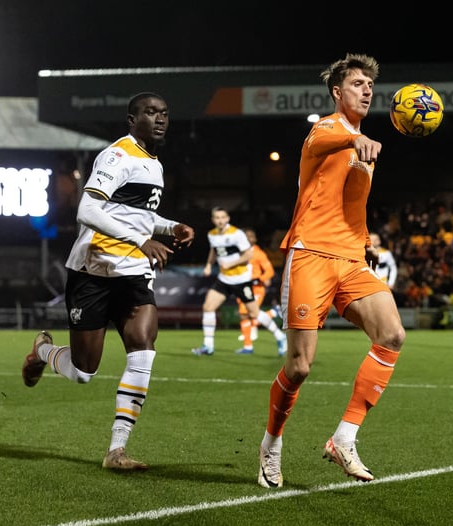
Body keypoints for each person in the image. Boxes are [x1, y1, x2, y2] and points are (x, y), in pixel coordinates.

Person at [21, 92, 196, 470]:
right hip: (93, 271)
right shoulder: (118, 155)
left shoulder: (154, 163)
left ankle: (117, 450)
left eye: (164, 113)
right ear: (132, 120)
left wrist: (170, 227)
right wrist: (142, 240)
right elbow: (88, 209)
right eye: (150, 113)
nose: (159, 118)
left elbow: (137, 216)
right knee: (84, 372)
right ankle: (42, 352)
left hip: (132, 272)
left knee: (143, 348)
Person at [257, 53, 406, 489]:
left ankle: (344, 437)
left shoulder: (365, 147)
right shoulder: (326, 129)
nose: (366, 90)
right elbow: (325, 143)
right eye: (357, 83)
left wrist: (364, 241)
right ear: (338, 92)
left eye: (369, 85)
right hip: (311, 255)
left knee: (392, 335)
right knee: (300, 366)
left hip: (351, 258)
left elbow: (351, 204)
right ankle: (271, 444)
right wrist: (350, 141)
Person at [191, 207, 286, 357]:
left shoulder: (237, 234)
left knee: (254, 313)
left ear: (228, 218)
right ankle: (208, 347)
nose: (220, 220)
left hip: (241, 280)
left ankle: (280, 337)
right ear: (213, 220)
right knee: (208, 307)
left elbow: (248, 255)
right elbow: (213, 250)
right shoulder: (212, 234)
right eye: (217, 217)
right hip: (224, 280)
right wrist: (209, 265)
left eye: (223, 217)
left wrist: (231, 264)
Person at [234, 228, 287, 355]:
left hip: (256, 288)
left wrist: (259, 279)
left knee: (253, 314)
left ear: (255, 239)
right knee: (244, 315)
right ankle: (248, 346)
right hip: (242, 288)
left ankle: (280, 336)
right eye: (245, 236)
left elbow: (270, 271)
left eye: (250, 236)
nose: (248, 238)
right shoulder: (238, 253)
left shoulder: (259, 254)